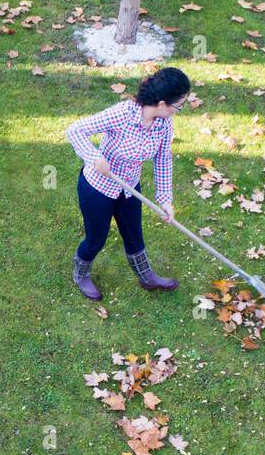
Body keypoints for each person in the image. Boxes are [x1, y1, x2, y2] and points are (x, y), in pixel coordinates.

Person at [64, 66, 191, 300]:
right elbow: (75, 130)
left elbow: (163, 159)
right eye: (178, 105)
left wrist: (165, 200)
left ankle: (146, 276)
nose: (177, 111)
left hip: (129, 188)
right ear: (162, 104)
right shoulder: (123, 114)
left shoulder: (163, 125)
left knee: (134, 235)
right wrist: (94, 158)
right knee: (96, 238)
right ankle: (80, 274)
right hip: (98, 189)